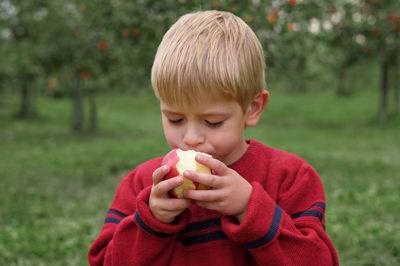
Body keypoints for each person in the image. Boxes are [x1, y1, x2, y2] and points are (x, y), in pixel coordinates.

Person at [88, 10, 339, 266]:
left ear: (252, 108)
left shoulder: (290, 177)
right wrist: (151, 222)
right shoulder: (142, 185)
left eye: (213, 122)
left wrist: (249, 208)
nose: (192, 138)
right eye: (175, 119)